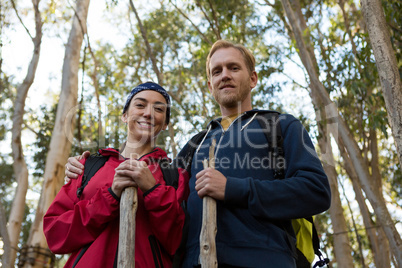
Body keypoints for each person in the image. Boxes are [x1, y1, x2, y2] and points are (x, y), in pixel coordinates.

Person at [65, 40, 331, 267]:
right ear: (210, 85)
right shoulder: (193, 145)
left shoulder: (281, 126)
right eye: (217, 71)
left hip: (265, 259)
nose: (224, 75)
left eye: (233, 68)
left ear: (252, 79)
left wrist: (233, 188)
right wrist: (87, 168)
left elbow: (316, 191)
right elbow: (157, 194)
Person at [44, 82, 189, 268]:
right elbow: (55, 234)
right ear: (125, 115)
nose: (148, 113)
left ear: (165, 123)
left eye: (159, 109)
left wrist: (153, 190)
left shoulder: (175, 177)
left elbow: (177, 243)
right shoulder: (87, 167)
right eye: (140, 105)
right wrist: (109, 197)